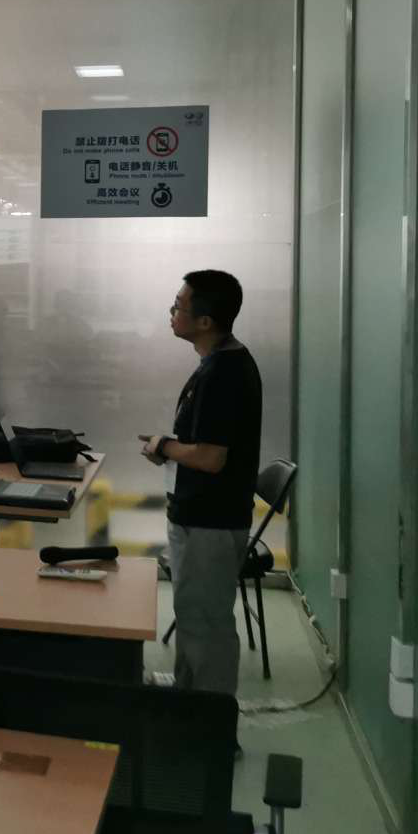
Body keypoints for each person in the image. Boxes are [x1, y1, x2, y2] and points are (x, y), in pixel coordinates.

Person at [141, 270, 264, 698]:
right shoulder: (218, 361)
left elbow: (211, 457)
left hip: (210, 520)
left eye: (179, 306)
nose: (172, 312)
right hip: (199, 513)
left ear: (206, 321)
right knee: (193, 614)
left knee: (207, 623)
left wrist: (164, 445)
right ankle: (186, 694)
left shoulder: (224, 373)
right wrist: (170, 448)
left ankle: (210, 721)